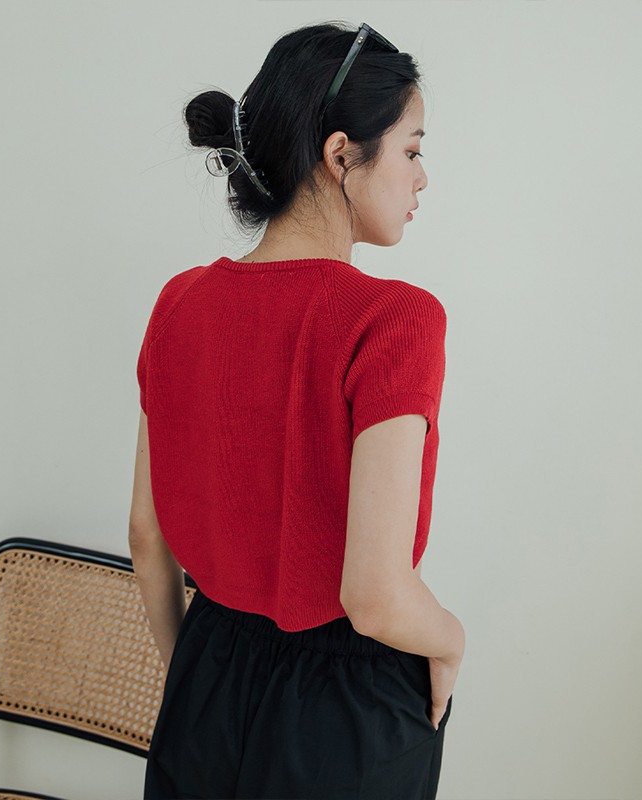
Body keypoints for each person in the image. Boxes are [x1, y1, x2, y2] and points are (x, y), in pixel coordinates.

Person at [128, 20, 465, 800]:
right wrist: (451, 641)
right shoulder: (394, 321)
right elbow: (374, 596)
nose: (422, 178)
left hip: (208, 671)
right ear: (341, 154)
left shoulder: (178, 303)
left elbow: (147, 537)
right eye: (411, 150)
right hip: (344, 713)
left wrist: (194, 682)